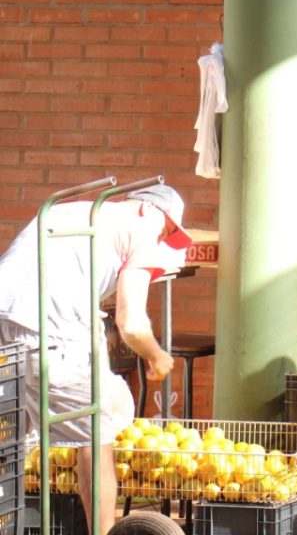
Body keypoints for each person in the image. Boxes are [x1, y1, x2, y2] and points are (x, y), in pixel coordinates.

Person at [0, 184, 192, 535]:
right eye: (166, 229)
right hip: (49, 334)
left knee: (11, 439)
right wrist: (157, 356)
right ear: (145, 210)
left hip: (6, 319)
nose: (162, 238)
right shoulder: (142, 231)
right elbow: (131, 323)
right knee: (94, 438)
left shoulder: (68, 210)